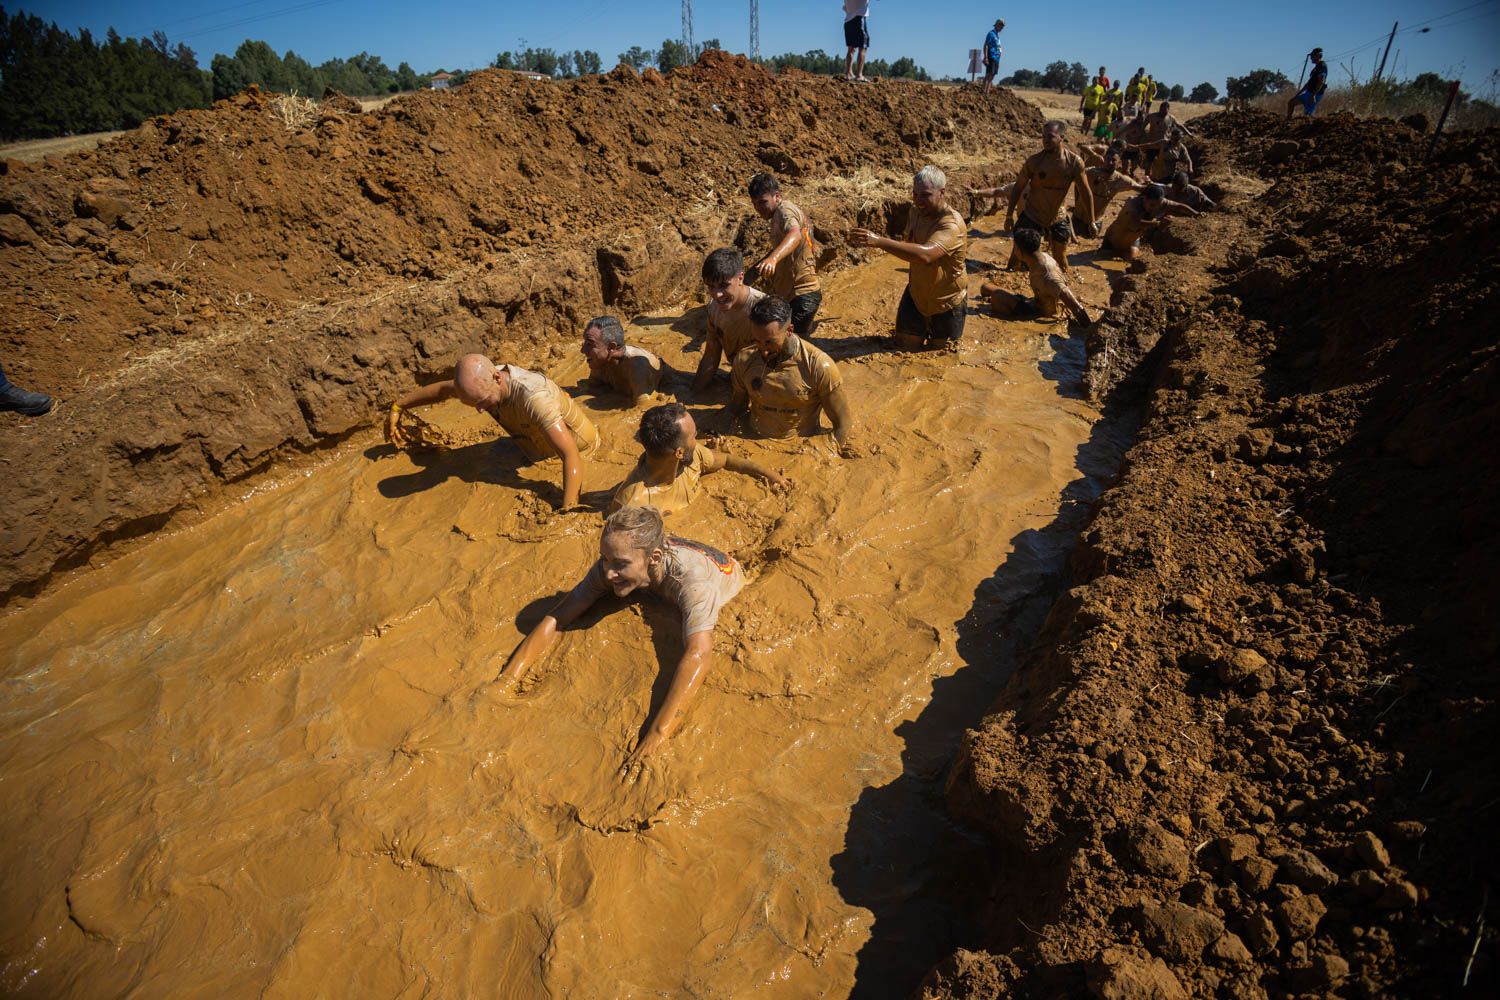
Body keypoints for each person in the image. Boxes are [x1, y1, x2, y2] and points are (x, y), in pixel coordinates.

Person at [494, 506, 745, 770]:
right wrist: (507, 678)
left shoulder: (693, 584)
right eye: (604, 559)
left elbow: (699, 654)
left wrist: (656, 736)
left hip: (728, 583)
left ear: (654, 557)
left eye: (620, 565)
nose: (609, 573)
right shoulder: (615, 561)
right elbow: (560, 615)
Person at [385, 354, 599, 509]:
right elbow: (442, 390)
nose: (479, 410)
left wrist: (568, 510)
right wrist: (399, 406)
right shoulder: (480, 381)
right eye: (473, 404)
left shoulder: (534, 398)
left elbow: (570, 455)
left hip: (581, 448)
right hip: (534, 444)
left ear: (498, 378)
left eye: (482, 402)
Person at [850, 164, 969, 351]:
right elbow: (911, 245)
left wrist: (879, 241)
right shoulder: (915, 212)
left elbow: (925, 255)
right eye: (915, 194)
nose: (918, 200)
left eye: (925, 195)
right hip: (916, 294)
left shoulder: (951, 225)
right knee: (903, 349)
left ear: (942, 192)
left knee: (941, 358)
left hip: (946, 302)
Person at [721, 295, 856, 456]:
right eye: (756, 341)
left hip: (800, 447)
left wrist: (817, 458)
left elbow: (843, 425)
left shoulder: (819, 366)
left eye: (769, 342)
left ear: (789, 330)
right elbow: (737, 406)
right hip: (753, 442)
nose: (762, 350)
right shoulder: (745, 359)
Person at [609, 402, 786, 516]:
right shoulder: (633, 506)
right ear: (678, 453)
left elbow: (727, 460)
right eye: (694, 436)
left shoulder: (694, 456)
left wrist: (771, 475)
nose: (698, 440)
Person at [1006, 121, 1094, 273]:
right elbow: (1018, 188)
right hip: (1033, 215)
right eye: (1043, 136)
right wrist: (1008, 215)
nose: (1045, 140)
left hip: (1057, 217)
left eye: (1050, 137)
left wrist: (1091, 220)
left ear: (1061, 137)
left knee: (1060, 257)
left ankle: (1064, 286)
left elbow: (1085, 192)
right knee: (1017, 256)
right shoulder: (1034, 161)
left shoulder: (1074, 162)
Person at [746, 173, 822, 335]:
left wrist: (773, 259)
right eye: (754, 203)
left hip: (802, 295)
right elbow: (783, 246)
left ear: (777, 196)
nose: (758, 208)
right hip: (791, 296)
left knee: (789, 345)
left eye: (762, 202)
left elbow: (795, 235)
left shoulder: (784, 210)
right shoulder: (778, 215)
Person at [693, 247, 767, 394]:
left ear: (740, 278)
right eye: (711, 287)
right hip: (739, 376)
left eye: (723, 286)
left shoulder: (763, 308)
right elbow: (711, 355)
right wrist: (693, 393)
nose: (717, 294)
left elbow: (782, 362)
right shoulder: (714, 308)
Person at [981, 228, 1092, 325]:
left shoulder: (1049, 277)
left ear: (1020, 251)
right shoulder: (1040, 257)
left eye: (1015, 248)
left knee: (996, 297)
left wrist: (1088, 329)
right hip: (1034, 302)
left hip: (1039, 312)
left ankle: (1013, 320)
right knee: (985, 287)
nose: (1014, 251)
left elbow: (1075, 306)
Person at [1101, 184, 1201, 260]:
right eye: (1152, 205)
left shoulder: (1159, 202)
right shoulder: (1132, 203)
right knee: (1102, 257)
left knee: (1133, 261)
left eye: (1158, 205)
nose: (1155, 208)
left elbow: (1179, 206)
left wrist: (1196, 213)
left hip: (1132, 241)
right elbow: (1134, 222)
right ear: (1144, 198)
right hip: (1113, 239)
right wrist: (1157, 223)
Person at [579, 316, 660, 407]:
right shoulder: (600, 361)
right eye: (584, 343)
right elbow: (593, 387)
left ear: (611, 347)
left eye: (590, 344)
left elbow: (642, 408)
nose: (583, 350)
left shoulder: (637, 367)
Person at [1077, 148, 1146, 235]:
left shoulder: (1120, 180)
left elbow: (1140, 188)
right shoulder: (1091, 172)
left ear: (1119, 163)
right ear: (1104, 159)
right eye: (1108, 159)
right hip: (1078, 219)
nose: (1110, 163)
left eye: (1113, 160)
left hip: (1096, 221)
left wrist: (1155, 186)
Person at [1287, 47, 1329, 119]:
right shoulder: (1316, 67)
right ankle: (1288, 121)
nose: (1311, 58)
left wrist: (1313, 95)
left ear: (1318, 56)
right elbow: (1308, 83)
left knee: (1307, 116)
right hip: (1308, 93)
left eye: (1313, 56)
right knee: (1291, 102)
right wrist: (1298, 94)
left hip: (1314, 94)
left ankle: (1320, 124)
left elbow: (1321, 82)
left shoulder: (1322, 66)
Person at [843, 0, 871, 83]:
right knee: (863, 47)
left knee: (851, 48)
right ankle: (859, 75)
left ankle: (849, 73)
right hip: (859, 19)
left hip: (848, 20)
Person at [982, 19, 1005, 93]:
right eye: (1000, 26)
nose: (1001, 28)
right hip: (991, 56)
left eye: (1002, 27)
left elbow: (998, 47)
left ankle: (987, 92)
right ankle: (983, 92)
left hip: (996, 58)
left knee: (992, 76)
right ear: (997, 25)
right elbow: (986, 45)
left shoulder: (997, 36)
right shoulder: (991, 34)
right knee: (989, 74)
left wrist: (1000, 54)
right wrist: (985, 57)